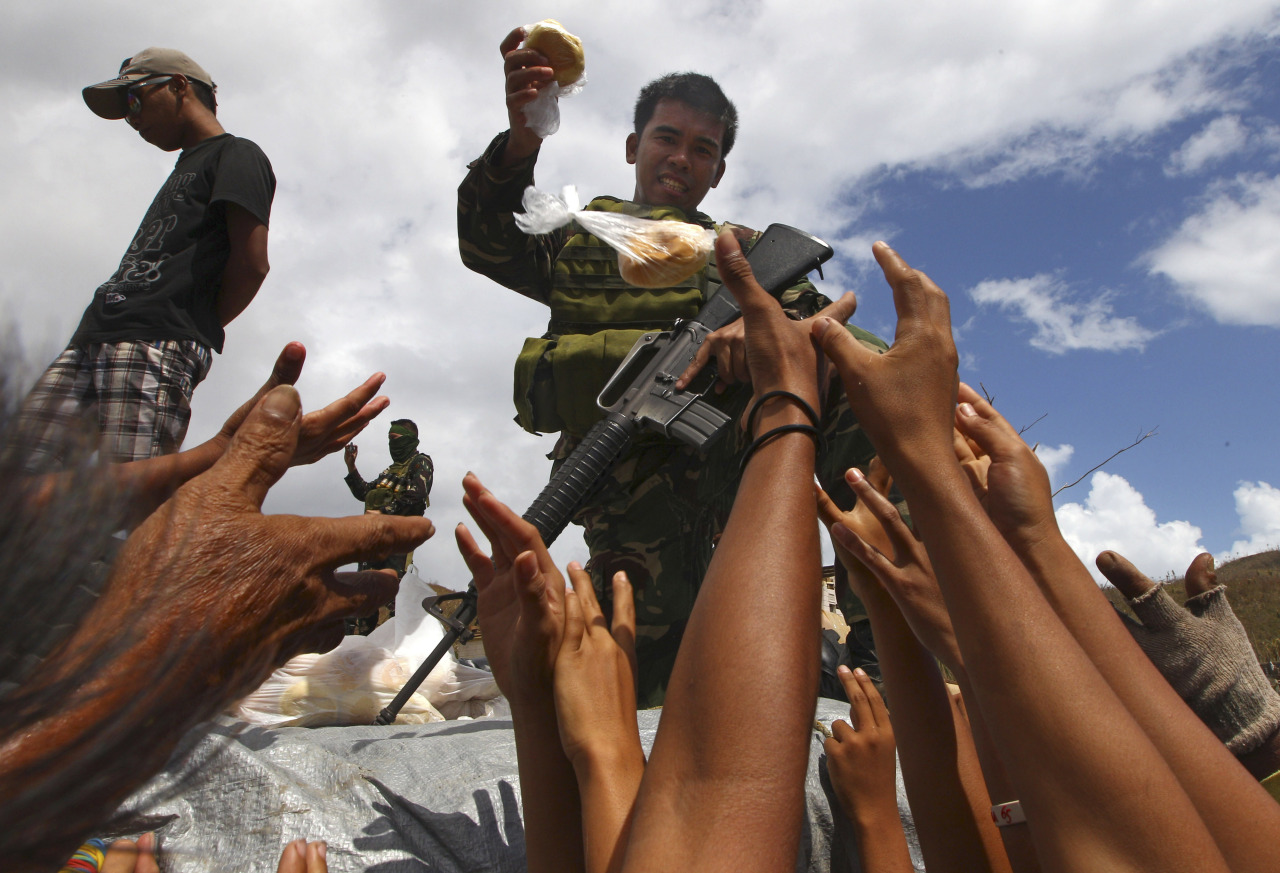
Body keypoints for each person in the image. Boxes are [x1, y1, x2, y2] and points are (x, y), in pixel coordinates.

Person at [458, 27, 886, 704]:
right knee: (644, 679)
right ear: (634, 147)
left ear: (718, 171)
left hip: (743, 464)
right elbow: (484, 242)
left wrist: (761, 324)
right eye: (666, 138)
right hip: (627, 479)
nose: (681, 158)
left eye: (703, 149)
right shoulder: (582, 231)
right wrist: (524, 136)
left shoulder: (744, 253)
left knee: (872, 389)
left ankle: (882, 646)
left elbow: (838, 332)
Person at [1, 363, 431, 872]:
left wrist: (218, 456)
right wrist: (156, 662)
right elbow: (367, 498)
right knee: (353, 614)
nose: (397, 439)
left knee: (371, 601)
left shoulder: (417, 465)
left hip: (387, 546)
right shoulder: (383, 471)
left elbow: (409, 501)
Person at [15, 47, 275, 472]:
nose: (131, 118)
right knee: (18, 480)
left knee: (129, 494)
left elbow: (252, 264)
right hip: (91, 336)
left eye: (134, 100)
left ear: (178, 86)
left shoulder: (237, 154)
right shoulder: (183, 167)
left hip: (155, 341)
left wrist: (185, 323)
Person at [343, 420, 433, 634]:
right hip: (372, 542)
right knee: (363, 598)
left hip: (397, 542)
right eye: (389, 440)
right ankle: (358, 647)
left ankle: (398, 647)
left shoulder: (420, 462)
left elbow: (417, 496)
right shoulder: (389, 473)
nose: (391, 444)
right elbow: (364, 493)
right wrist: (351, 466)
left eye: (395, 439)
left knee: (396, 597)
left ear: (409, 439)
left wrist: (384, 513)